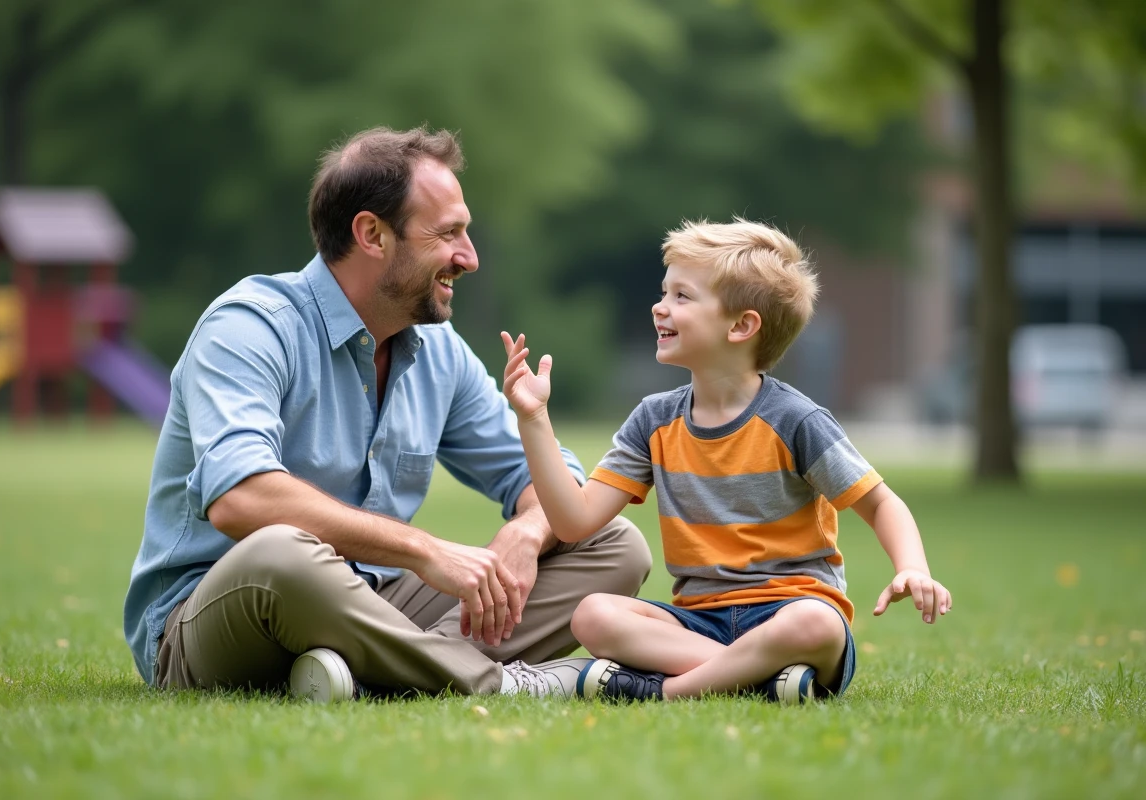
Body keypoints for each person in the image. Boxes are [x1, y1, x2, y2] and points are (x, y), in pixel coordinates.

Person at [123, 126, 652, 701]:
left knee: (612, 543)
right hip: (220, 614)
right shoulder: (249, 327)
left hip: (372, 603)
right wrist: (425, 550)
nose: (468, 258)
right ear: (372, 234)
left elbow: (547, 482)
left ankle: (376, 674)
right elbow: (242, 498)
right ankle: (488, 681)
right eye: (447, 233)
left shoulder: (437, 351)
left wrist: (529, 529)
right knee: (281, 551)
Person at [500, 217, 953, 703]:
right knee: (593, 614)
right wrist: (534, 419)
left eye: (681, 296)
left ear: (741, 325)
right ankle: (759, 678)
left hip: (789, 612)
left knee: (817, 624)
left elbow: (880, 503)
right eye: (664, 292)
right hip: (697, 621)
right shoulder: (653, 421)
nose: (660, 306)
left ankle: (667, 692)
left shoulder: (796, 420)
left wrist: (913, 567)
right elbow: (574, 522)